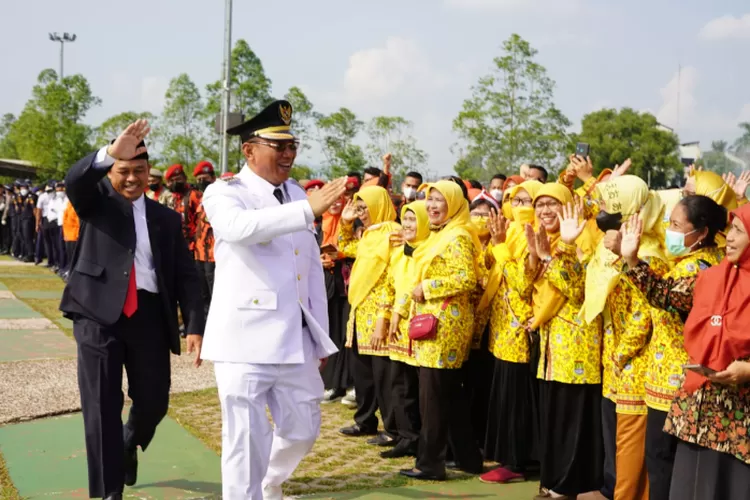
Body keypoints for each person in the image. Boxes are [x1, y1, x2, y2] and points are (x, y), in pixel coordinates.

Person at [200, 99, 347, 500]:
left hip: (294, 336)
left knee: (303, 429)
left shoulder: (297, 192)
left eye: (292, 146)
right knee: (245, 439)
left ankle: (270, 482)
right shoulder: (224, 192)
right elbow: (239, 229)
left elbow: (309, 268)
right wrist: (305, 211)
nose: (288, 155)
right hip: (245, 339)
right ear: (249, 150)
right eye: (278, 147)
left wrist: (319, 333)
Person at [61, 119, 206, 500]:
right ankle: (108, 494)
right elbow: (74, 179)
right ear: (111, 172)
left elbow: (186, 274)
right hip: (96, 315)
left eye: (138, 171)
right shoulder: (94, 203)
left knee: (155, 400)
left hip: (149, 317)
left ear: (148, 174)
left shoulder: (166, 219)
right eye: (123, 171)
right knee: (101, 407)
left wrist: (195, 324)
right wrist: (111, 152)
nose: (130, 179)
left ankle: (128, 444)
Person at [662, 203, 750, 499]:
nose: (731, 239)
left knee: (728, 487)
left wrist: (747, 371)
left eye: (740, 231)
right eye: (731, 231)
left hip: (739, 419)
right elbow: (665, 294)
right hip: (698, 408)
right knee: (691, 486)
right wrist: (631, 260)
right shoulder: (712, 278)